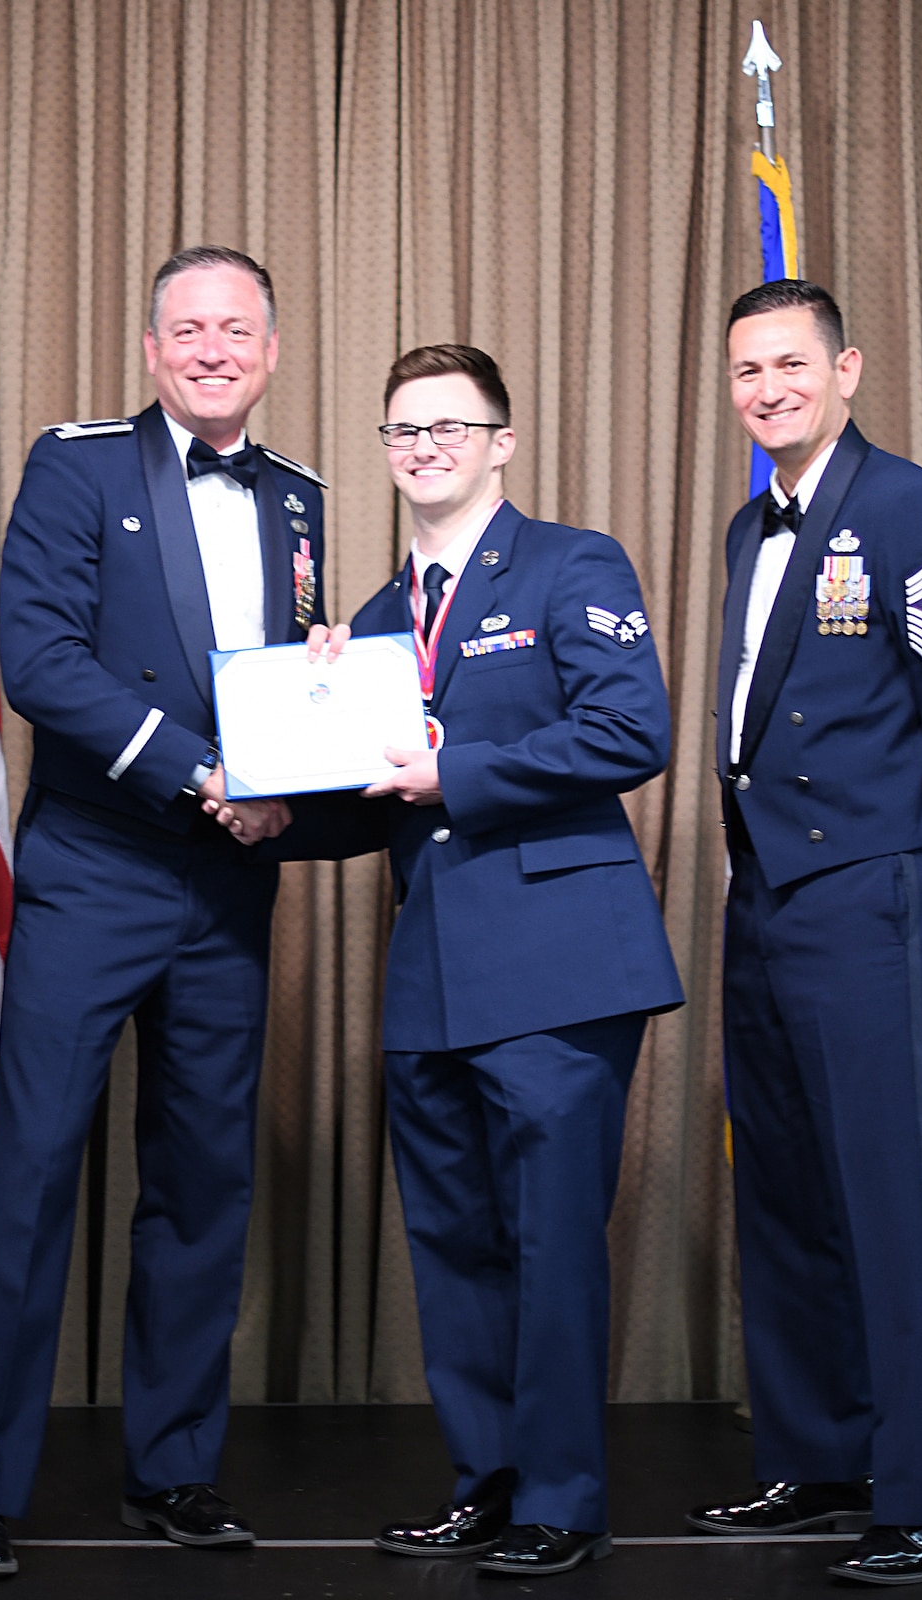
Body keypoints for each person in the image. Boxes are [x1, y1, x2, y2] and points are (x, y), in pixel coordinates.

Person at [0, 246, 326, 1580]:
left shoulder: (300, 497)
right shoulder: (77, 465)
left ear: (270, 350)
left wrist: (306, 750)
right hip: (96, 871)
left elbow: (289, 682)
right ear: (153, 350)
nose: (213, 349)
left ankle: (176, 1468)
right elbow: (39, 661)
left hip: (228, 883)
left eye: (236, 329)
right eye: (189, 329)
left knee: (204, 1182)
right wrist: (205, 771)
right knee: (34, 1169)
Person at [257, 344, 684, 1578]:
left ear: (500, 442)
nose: (425, 446)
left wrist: (461, 771)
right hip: (432, 970)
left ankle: (561, 1499)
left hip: (560, 964)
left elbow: (630, 729)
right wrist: (272, 805)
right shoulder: (374, 622)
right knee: (451, 1248)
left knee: (550, 1243)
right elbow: (374, 798)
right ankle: (486, 1484)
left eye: (451, 425)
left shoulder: (571, 564)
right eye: (404, 429)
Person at [688, 279, 922, 1586]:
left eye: (790, 364)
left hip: (874, 887)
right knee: (784, 1186)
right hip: (767, 893)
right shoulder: (746, 525)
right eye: (745, 370)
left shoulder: (908, 508)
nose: (766, 389)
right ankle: (820, 1457)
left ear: (847, 372)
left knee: (888, 1190)